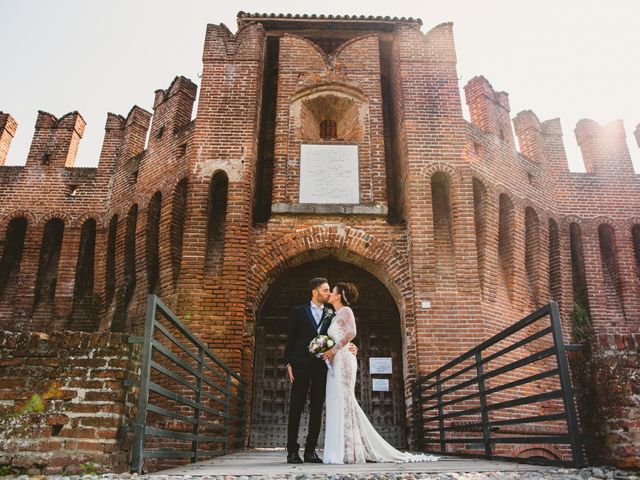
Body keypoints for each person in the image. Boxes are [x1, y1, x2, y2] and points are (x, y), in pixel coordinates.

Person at [322, 282, 439, 464]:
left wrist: (334, 350)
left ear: (338, 295)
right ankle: (343, 448)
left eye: (332, 291)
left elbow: (352, 332)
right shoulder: (334, 315)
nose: (329, 294)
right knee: (336, 400)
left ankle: (349, 450)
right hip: (336, 360)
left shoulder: (346, 311)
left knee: (344, 398)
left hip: (343, 359)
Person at [284, 277, 358, 464]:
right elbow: (290, 339)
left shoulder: (331, 313)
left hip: (321, 367)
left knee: (317, 407)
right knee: (296, 407)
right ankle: (292, 451)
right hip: (300, 365)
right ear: (314, 291)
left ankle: (310, 451)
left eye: (329, 290)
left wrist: (352, 346)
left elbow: (342, 331)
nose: (327, 293)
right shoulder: (298, 312)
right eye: (325, 290)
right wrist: (288, 364)